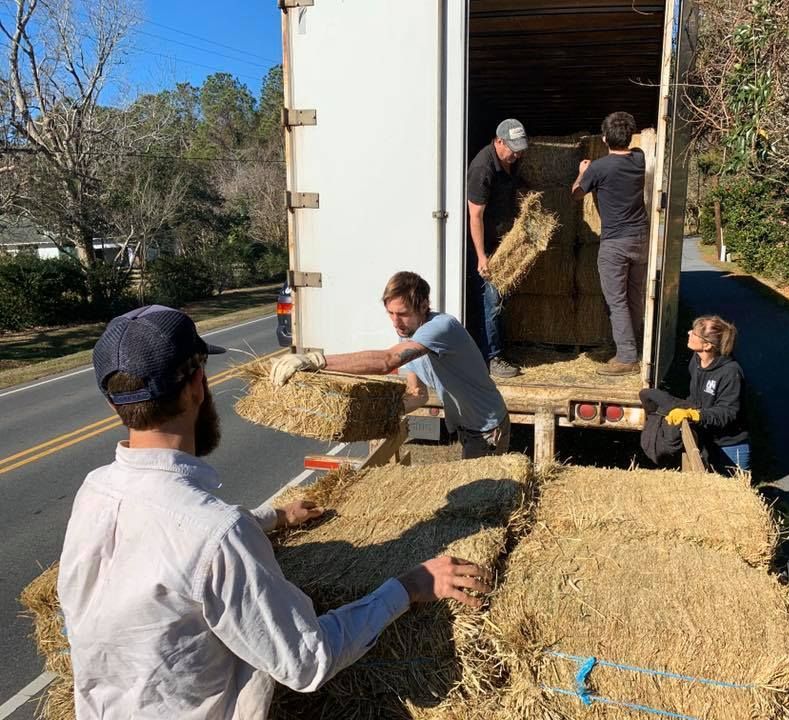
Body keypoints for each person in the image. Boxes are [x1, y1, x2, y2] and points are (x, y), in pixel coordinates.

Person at [58, 304, 492, 720]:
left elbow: (169, 535)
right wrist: (409, 585)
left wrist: (275, 517)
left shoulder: (93, 492)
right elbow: (306, 661)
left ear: (115, 405)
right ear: (196, 387)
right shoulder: (216, 535)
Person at [271, 272, 511, 460]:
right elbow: (417, 394)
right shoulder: (407, 334)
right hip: (468, 428)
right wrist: (371, 416)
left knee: (478, 508)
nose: (396, 322)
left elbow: (387, 361)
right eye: (390, 313)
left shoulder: (442, 327)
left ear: (424, 305)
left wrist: (316, 361)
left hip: (487, 429)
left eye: (403, 313)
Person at [572, 111, 649, 376]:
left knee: (616, 301)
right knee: (634, 295)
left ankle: (626, 357)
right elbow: (631, 152)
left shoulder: (598, 168)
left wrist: (582, 172)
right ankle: (636, 345)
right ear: (630, 136)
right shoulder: (639, 158)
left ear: (604, 138)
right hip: (640, 239)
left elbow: (576, 193)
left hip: (615, 242)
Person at [639, 315, 750, 473]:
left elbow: (728, 412)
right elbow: (695, 397)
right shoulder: (697, 361)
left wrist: (696, 415)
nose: (689, 332)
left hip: (728, 446)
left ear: (707, 345)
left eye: (695, 333)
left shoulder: (731, 372)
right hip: (705, 437)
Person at [465, 118, 528, 379]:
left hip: (504, 241)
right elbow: (475, 215)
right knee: (490, 301)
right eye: (513, 148)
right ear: (498, 141)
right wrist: (481, 256)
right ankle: (491, 358)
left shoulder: (512, 161)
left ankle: (498, 349)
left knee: (500, 300)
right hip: (486, 245)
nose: (517, 153)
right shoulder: (483, 167)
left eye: (521, 148)